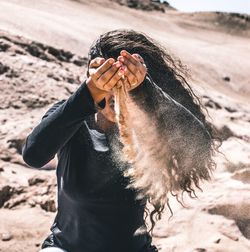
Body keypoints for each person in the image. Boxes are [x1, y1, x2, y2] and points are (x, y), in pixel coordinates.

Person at [22, 29, 217, 252]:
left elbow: (200, 147)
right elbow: (33, 155)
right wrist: (87, 94)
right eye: (108, 81)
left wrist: (146, 89)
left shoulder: (146, 130)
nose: (116, 93)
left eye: (124, 83)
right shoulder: (72, 117)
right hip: (65, 248)